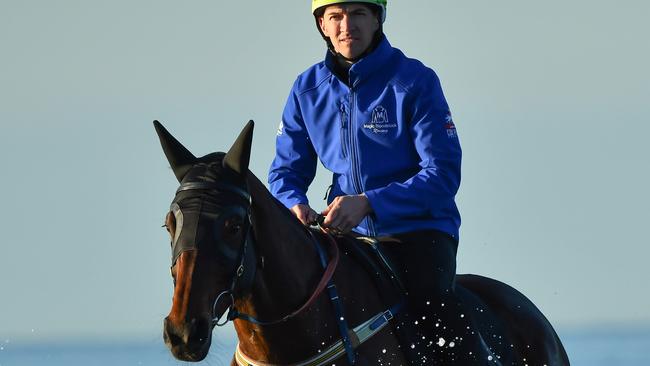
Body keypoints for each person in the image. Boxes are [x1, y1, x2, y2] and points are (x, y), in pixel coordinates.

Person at [268, 1, 498, 364]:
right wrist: (292, 204)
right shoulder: (305, 89)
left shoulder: (415, 81)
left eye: (358, 13)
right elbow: (285, 173)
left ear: (377, 18)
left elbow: (442, 174)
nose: (347, 25)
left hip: (419, 231)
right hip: (345, 237)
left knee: (434, 308)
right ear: (322, 25)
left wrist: (369, 201)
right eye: (336, 16)